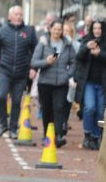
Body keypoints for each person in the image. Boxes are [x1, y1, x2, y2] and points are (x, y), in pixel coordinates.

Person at [0, 6, 38, 138]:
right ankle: (3, 124)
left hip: (22, 73)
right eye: (16, 14)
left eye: (20, 14)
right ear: (10, 16)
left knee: (16, 101)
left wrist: (33, 67)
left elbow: (36, 50)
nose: (18, 17)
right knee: (1, 97)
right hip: (4, 70)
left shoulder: (29, 31)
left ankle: (13, 128)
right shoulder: (2, 31)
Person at [31, 20, 76, 148]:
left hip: (61, 83)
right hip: (45, 82)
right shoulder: (43, 43)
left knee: (59, 108)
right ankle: (47, 136)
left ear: (62, 31)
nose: (57, 31)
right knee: (47, 110)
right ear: (50, 29)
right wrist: (46, 62)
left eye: (59, 29)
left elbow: (74, 61)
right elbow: (34, 62)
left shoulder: (67, 44)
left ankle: (58, 136)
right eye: (55, 29)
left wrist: (68, 74)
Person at [74, 19, 105, 149]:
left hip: (103, 84)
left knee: (100, 112)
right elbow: (79, 57)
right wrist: (86, 47)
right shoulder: (87, 40)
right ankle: (87, 134)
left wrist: (100, 54)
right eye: (95, 28)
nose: (97, 31)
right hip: (89, 83)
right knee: (89, 108)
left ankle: (97, 136)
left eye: (99, 28)